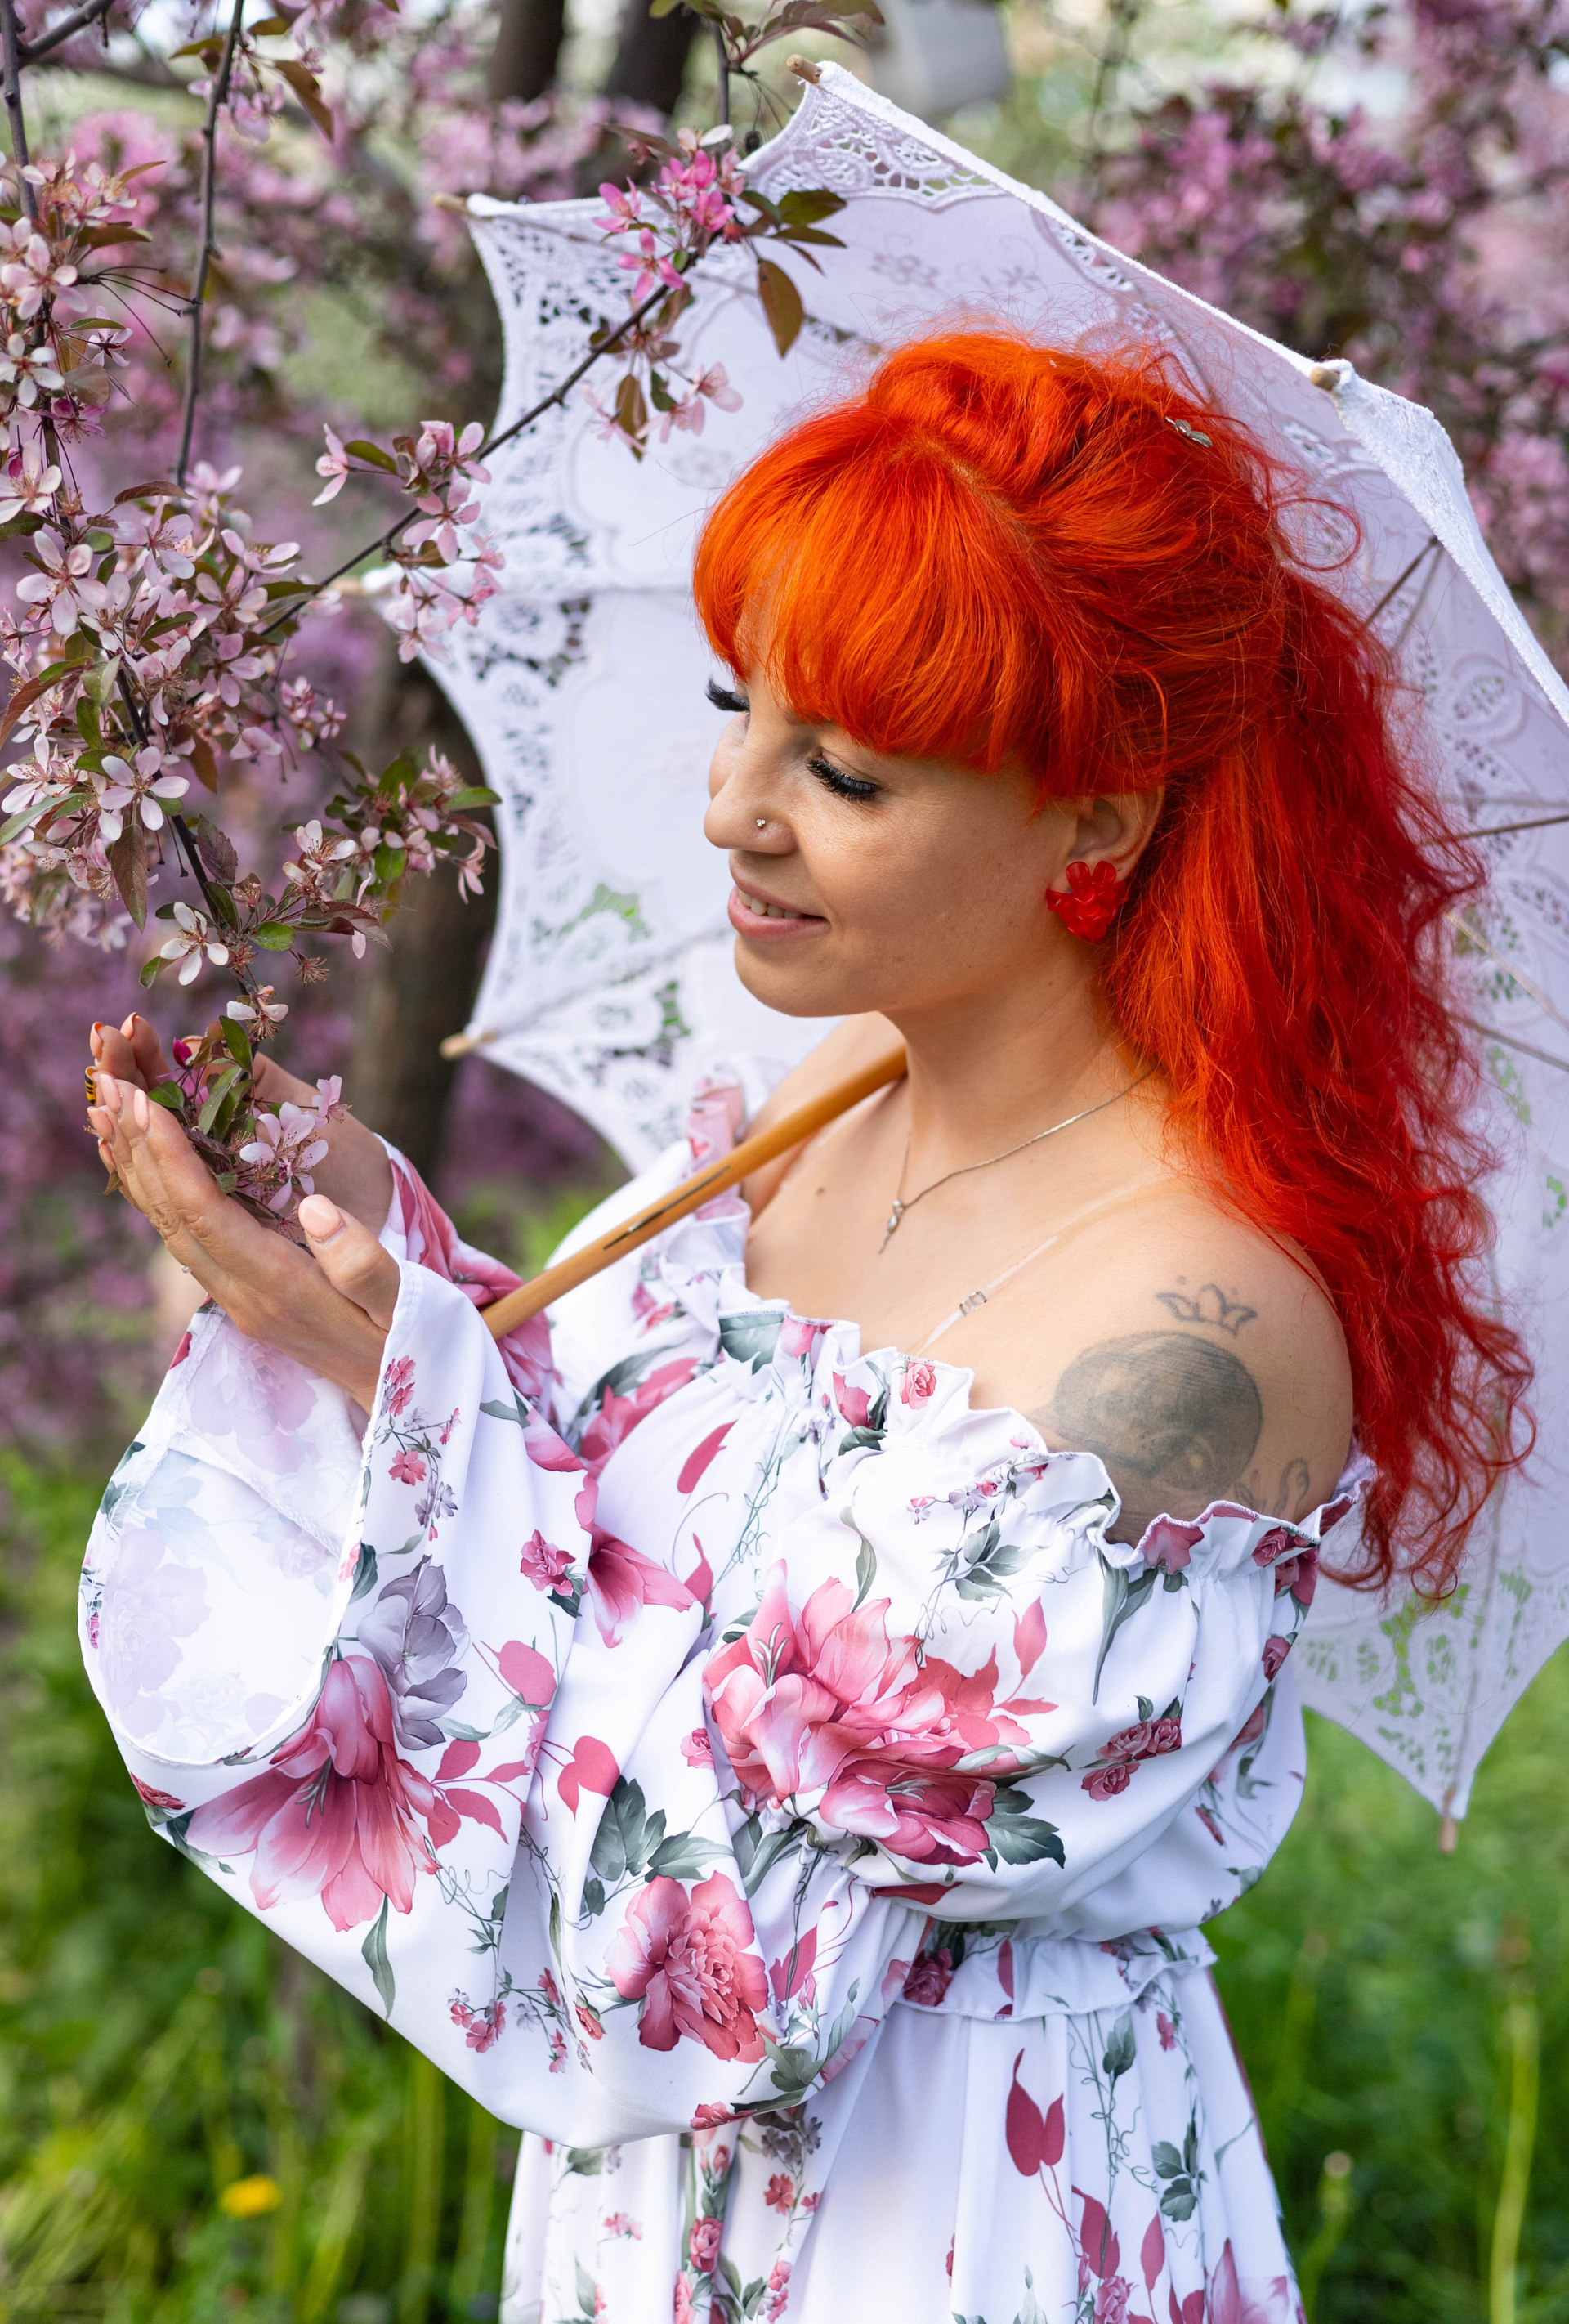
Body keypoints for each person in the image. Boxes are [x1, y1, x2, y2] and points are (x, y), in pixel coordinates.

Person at [82, 332, 1529, 2324]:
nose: (733, 809)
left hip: (945, 2210)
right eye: (737, 708)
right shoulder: (820, 1100)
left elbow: (726, 1932)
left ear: (1100, 824)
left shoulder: (1186, 1347)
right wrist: (372, 1285)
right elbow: (614, 1526)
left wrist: (389, 1396)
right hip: (635, 2214)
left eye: (843, 772)